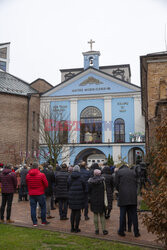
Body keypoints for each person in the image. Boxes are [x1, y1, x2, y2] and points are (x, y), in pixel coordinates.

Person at [115, 164, 140, 237]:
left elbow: (116, 184)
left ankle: (121, 231)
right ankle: (136, 232)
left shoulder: (118, 172)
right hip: (132, 196)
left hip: (123, 196)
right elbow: (136, 183)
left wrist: (120, 190)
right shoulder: (133, 172)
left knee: (122, 215)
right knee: (134, 215)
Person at [26, 162, 49, 226]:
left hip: (32, 194)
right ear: (37, 167)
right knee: (43, 207)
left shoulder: (28, 175)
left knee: (33, 208)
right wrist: (42, 188)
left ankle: (34, 222)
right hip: (40, 193)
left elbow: (27, 183)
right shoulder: (42, 175)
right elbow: (46, 184)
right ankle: (43, 221)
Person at [88, 169, 108, 235]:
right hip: (101, 199)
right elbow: (105, 190)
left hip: (93, 199)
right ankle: (104, 229)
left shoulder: (90, 182)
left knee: (95, 214)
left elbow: (89, 191)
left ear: (94, 174)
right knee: (102, 214)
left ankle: (96, 229)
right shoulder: (103, 181)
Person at [68, 165, 86, 233]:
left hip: (72, 196)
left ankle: (72, 228)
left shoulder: (70, 177)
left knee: (73, 212)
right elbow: (84, 186)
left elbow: (68, 185)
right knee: (78, 212)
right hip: (79, 196)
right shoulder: (81, 177)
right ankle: (76, 228)